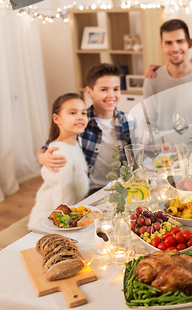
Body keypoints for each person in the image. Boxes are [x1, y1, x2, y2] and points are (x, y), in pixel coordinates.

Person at [36, 64, 134, 195]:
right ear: (89, 92)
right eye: (104, 89)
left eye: (116, 89)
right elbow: (48, 146)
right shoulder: (79, 122)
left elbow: (141, 151)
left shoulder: (129, 121)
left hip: (125, 186)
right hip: (92, 190)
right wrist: (42, 157)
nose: (111, 95)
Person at [28, 93, 89, 230]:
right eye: (73, 112)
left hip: (70, 217)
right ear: (57, 119)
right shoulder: (60, 153)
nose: (80, 116)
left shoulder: (74, 144)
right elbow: (62, 205)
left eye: (84, 113)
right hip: (49, 226)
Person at [143, 19, 192, 120]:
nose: (175, 48)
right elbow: (146, 124)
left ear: (190, 43)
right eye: (168, 43)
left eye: (180, 41)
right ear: (161, 46)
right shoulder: (151, 79)